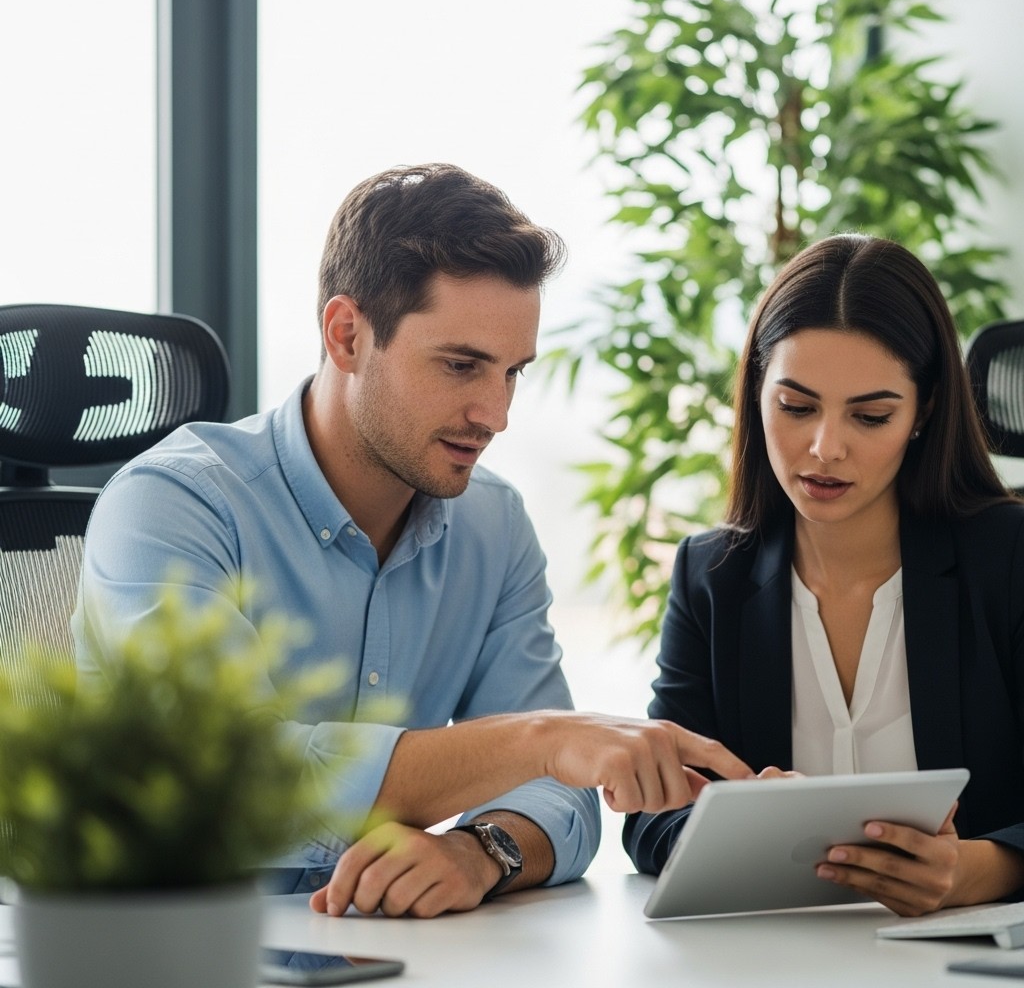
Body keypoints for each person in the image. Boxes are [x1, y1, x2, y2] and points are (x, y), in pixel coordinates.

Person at [73, 162, 751, 920]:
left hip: (390, 954)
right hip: (166, 949)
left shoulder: (493, 526)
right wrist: (540, 740)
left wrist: (481, 850)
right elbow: (233, 778)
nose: (495, 414)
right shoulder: (173, 504)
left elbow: (563, 800)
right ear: (347, 335)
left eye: (512, 373)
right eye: (461, 366)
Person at [624, 233, 1024, 917]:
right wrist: (735, 821)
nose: (825, 448)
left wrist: (981, 869)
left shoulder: (1006, 555)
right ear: (756, 393)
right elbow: (649, 816)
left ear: (924, 411)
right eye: (797, 407)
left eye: (871, 416)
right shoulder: (711, 575)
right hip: (780, 956)